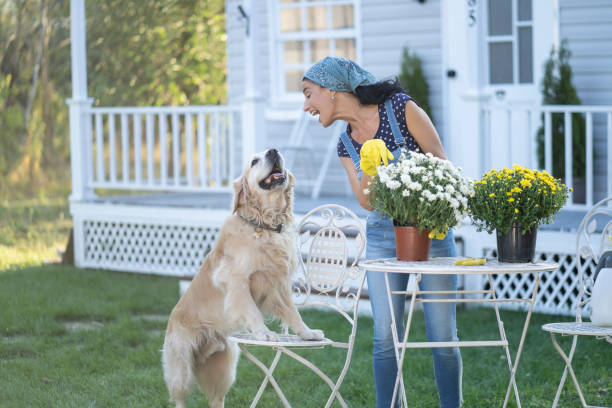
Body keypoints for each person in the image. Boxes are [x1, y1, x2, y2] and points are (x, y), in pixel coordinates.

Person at [301, 56, 462, 408]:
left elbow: (441, 162)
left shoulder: (401, 109)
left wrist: (409, 174)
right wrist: (372, 163)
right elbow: (368, 203)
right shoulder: (347, 144)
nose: (306, 106)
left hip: (431, 230)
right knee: (384, 338)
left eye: (309, 94)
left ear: (331, 91)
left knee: (442, 338)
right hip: (382, 237)